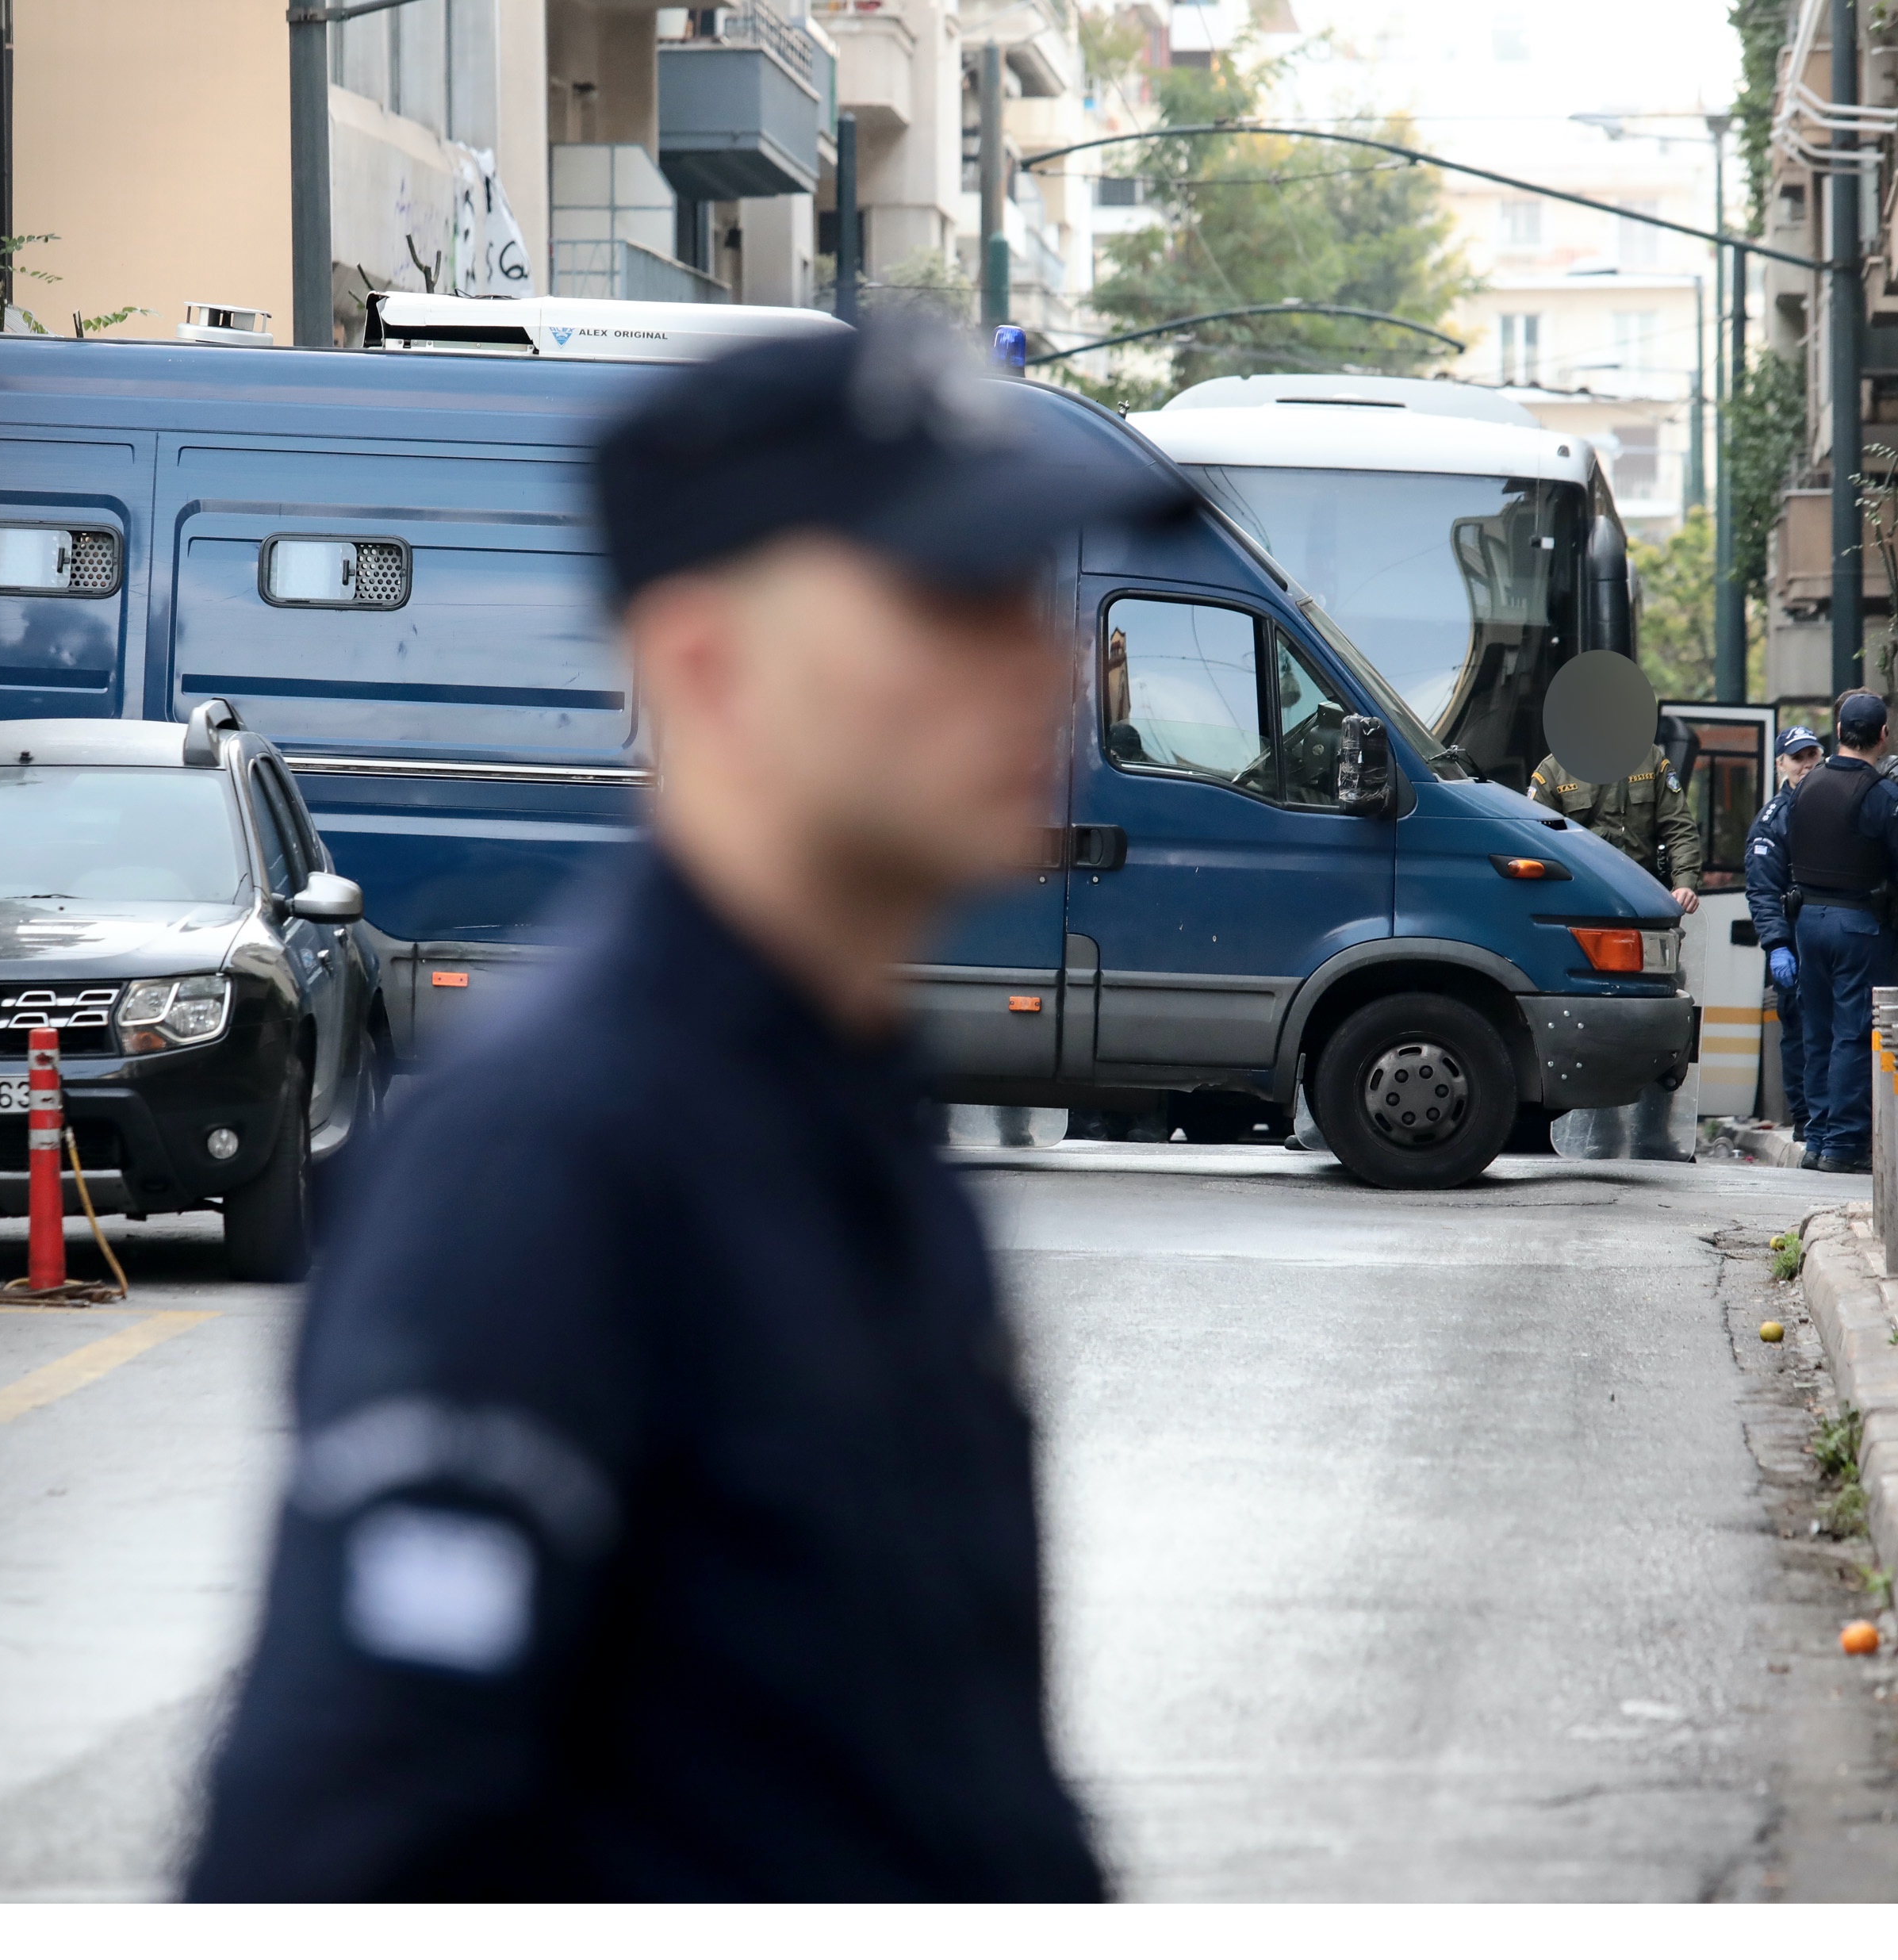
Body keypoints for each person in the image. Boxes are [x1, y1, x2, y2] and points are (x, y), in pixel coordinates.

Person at [186, 317, 1190, 1901]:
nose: (1039, 657)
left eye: (1030, 589)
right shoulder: (554, 1161)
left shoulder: (857, 1132)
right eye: (950, 595)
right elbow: (335, 1846)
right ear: (704, 664)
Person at [1528, 738, 1702, 1160]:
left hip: (1642, 915)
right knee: (1590, 1027)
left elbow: (1679, 826)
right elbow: (1534, 835)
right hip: (1582, 919)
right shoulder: (1552, 771)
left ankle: (1653, 1134)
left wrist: (1685, 883)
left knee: (1664, 1020)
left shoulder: (1651, 762)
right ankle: (1596, 1132)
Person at [1789, 691, 1898, 1175]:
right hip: (1860, 925)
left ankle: (1817, 1137)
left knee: (1818, 1031)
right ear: (1883, 735)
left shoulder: (1806, 786)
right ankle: (1844, 1145)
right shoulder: (1883, 796)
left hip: (1808, 922)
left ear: (1838, 731)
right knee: (1853, 1033)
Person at [1746, 725, 1826, 1137]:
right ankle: (1807, 1120)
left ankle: (1836, 1119)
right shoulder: (1772, 822)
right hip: (1794, 939)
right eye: (1798, 757)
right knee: (1798, 1031)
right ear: (1781, 764)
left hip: (1833, 935)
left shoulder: (1835, 807)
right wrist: (1777, 944)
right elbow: (1762, 890)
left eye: (1813, 754)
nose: (1807, 764)